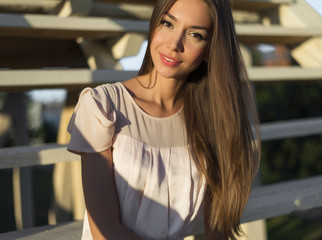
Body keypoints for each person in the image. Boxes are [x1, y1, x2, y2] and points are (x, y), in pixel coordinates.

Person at [67, 0, 260, 239]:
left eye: (195, 34)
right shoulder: (102, 105)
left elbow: (216, 232)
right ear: (154, 23)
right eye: (168, 23)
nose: (174, 44)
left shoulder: (213, 119)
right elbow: (104, 231)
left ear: (210, 49)